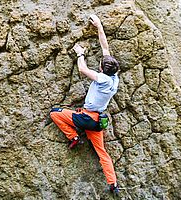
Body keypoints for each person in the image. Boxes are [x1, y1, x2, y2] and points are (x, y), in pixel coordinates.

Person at [49, 14, 120, 194]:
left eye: (101, 66)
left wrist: (80, 53)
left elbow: (82, 69)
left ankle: (73, 137)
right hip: (97, 122)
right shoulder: (114, 78)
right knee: (102, 152)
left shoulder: (103, 79)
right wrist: (99, 26)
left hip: (87, 118)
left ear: (103, 69)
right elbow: (105, 48)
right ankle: (113, 183)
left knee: (55, 113)